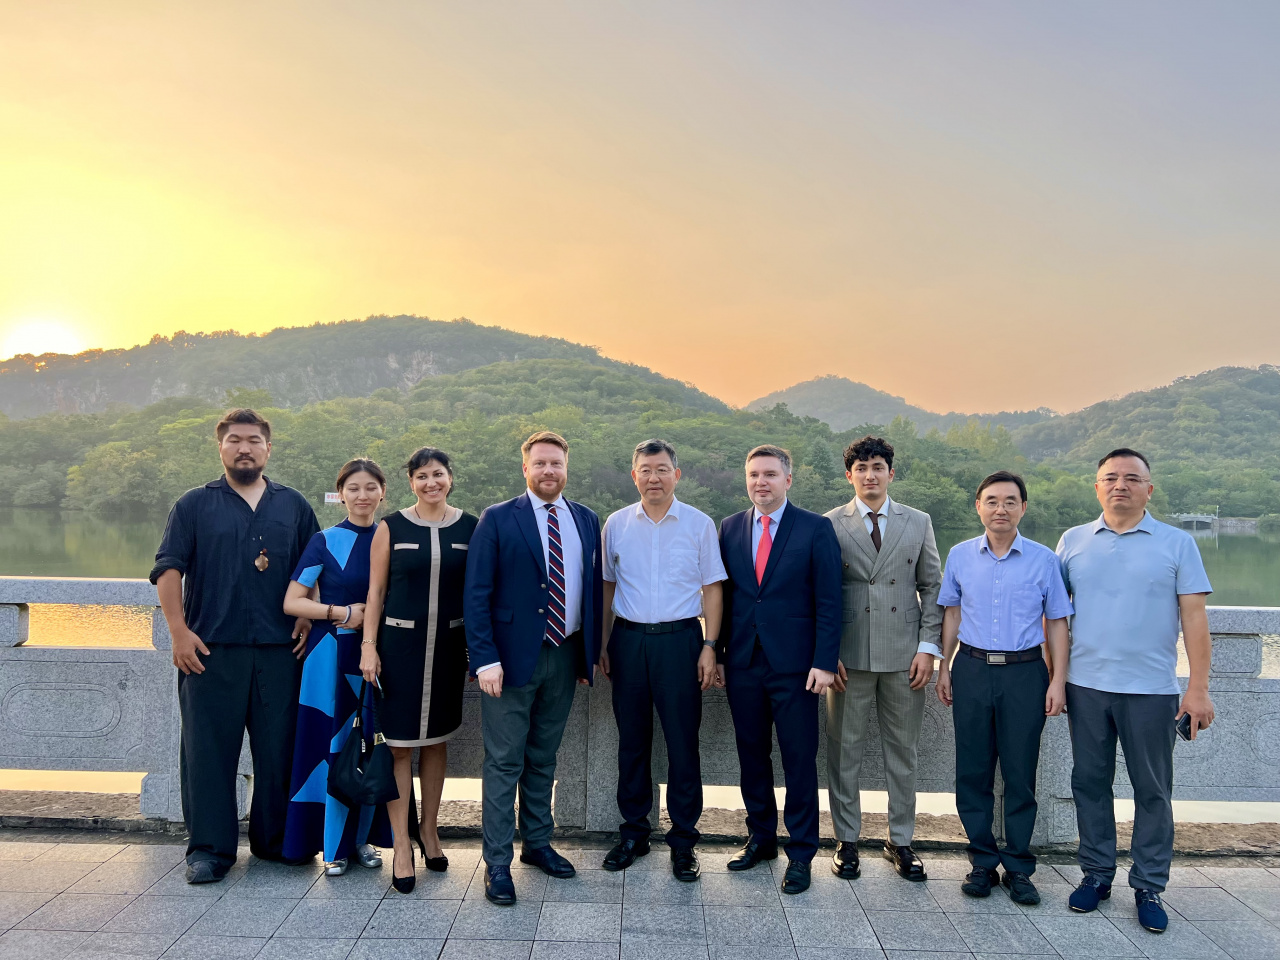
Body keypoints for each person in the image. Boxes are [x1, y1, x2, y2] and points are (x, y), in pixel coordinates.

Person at [151, 408, 320, 884]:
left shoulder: (293, 505)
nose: (244, 448)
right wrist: (178, 632)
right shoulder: (194, 504)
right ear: (221, 446)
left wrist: (308, 614)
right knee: (207, 754)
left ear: (268, 448)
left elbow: (314, 567)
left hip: (281, 650)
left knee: (279, 751)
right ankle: (209, 850)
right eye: (234, 440)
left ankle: (277, 842)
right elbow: (168, 569)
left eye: (253, 441)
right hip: (209, 651)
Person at [1056, 448, 1215, 934]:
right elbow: (1055, 614)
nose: (1120, 485)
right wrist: (1056, 677)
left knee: (1152, 790)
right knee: (1089, 783)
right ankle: (1096, 874)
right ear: (1096, 487)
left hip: (1151, 690)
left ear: (1149, 488)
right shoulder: (1073, 541)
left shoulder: (1176, 543)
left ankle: (1148, 885)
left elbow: (1194, 618)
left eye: (1131, 478)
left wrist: (1198, 689)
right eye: (1110, 478)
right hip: (1085, 687)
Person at [464, 430, 604, 905]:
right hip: (506, 662)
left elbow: (591, 588)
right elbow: (476, 593)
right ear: (525, 468)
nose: (548, 471)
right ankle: (497, 862)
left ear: (567, 468)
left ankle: (538, 843)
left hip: (564, 655)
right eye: (540, 463)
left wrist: (587, 654)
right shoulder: (498, 517)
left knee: (544, 757)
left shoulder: (585, 518)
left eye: (556, 463)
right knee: (504, 761)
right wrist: (484, 658)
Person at [935, 471, 1072, 905]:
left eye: (1010, 501)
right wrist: (943, 668)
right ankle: (981, 861)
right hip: (972, 669)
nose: (1001, 509)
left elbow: (1057, 623)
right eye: (992, 501)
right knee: (972, 770)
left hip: (1025, 673)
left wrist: (1058, 680)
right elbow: (952, 614)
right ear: (978, 507)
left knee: (1020, 771)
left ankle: (1018, 866)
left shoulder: (1044, 560)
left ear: (1023, 508)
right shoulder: (960, 555)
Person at [598, 439, 727, 880]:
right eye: (646, 470)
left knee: (682, 743)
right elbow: (607, 585)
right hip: (629, 641)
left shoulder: (698, 523)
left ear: (677, 474)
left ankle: (684, 841)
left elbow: (712, 587)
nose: (654, 478)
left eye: (662, 470)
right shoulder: (617, 523)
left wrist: (710, 646)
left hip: (681, 642)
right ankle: (634, 833)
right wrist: (602, 643)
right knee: (632, 742)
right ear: (634, 475)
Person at [717, 444, 841, 895]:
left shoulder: (815, 527)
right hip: (743, 662)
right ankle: (761, 838)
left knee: (798, 758)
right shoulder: (730, 527)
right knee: (751, 754)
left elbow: (830, 600)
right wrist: (719, 653)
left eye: (769, 474)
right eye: (753, 475)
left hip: (797, 667)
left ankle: (802, 851)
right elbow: (725, 596)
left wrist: (824, 661)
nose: (760, 482)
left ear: (788, 479)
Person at [823, 435, 942, 882]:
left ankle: (901, 840)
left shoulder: (918, 521)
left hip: (905, 654)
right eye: (861, 468)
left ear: (891, 473)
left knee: (903, 750)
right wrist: (827, 652)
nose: (870, 475)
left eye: (878, 467)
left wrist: (929, 647)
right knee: (843, 750)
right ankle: (846, 840)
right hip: (848, 655)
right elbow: (822, 593)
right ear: (849, 475)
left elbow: (932, 587)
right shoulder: (830, 523)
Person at [360, 447, 478, 894]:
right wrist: (368, 647)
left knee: (436, 741)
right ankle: (401, 844)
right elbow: (375, 592)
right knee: (399, 747)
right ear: (411, 482)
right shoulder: (391, 526)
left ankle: (429, 831)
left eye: (438, 474)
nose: (432, 482)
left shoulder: (471, 526)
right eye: (422, 476)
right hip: (399, 650)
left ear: (450, 478)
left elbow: (478, 592)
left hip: (449, 648)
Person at [281, 459, 394, 876]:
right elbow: (292, 601)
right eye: (353, 488)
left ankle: (363, 839)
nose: (362, 496)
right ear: (341, 494)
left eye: (370, 487)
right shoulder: (324, 540)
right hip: (329, 656)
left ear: (383, 492)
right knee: (329, 745)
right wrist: (341, 612)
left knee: (371, 745)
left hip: (376, 656)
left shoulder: (392, 537)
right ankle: (334, 845)